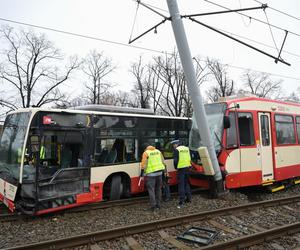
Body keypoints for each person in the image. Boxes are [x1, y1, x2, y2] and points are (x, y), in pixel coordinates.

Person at [140, 144, 166, 212]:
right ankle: (158, 205)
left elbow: (143, 165)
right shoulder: (158, 151)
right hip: (160, 173)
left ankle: (153, 206)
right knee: (158, 189)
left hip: (151, 174)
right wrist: (165, 172)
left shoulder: (146, 153)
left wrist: (142, 175)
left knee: (151, 190)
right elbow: (163, 162)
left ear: (146, 148)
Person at [171, 139, 192, 208]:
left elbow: (175, 161)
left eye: (174, 144)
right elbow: (190, 158)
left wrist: (176, 167)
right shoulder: (187, 148)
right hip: (187, 168)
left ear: (176, 144)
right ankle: (189, 198)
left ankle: (181, 202)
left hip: (181, 169)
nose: (173, 146)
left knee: (181, 185)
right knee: (187, 183)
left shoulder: (177, 150)